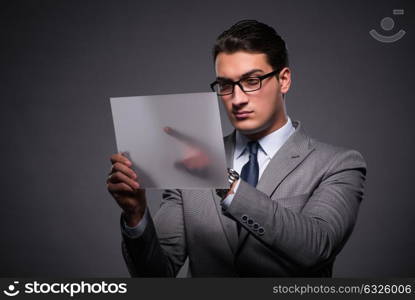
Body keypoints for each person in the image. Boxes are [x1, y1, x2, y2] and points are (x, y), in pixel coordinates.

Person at [106, 20, 367, 277]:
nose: (237, 99)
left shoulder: (338, 164)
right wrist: (136, 214)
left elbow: (316, 248)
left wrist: (223, 180)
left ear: (284, 80)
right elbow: (156, 277)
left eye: (252, 81)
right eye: (225, 85)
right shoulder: (188, 163)